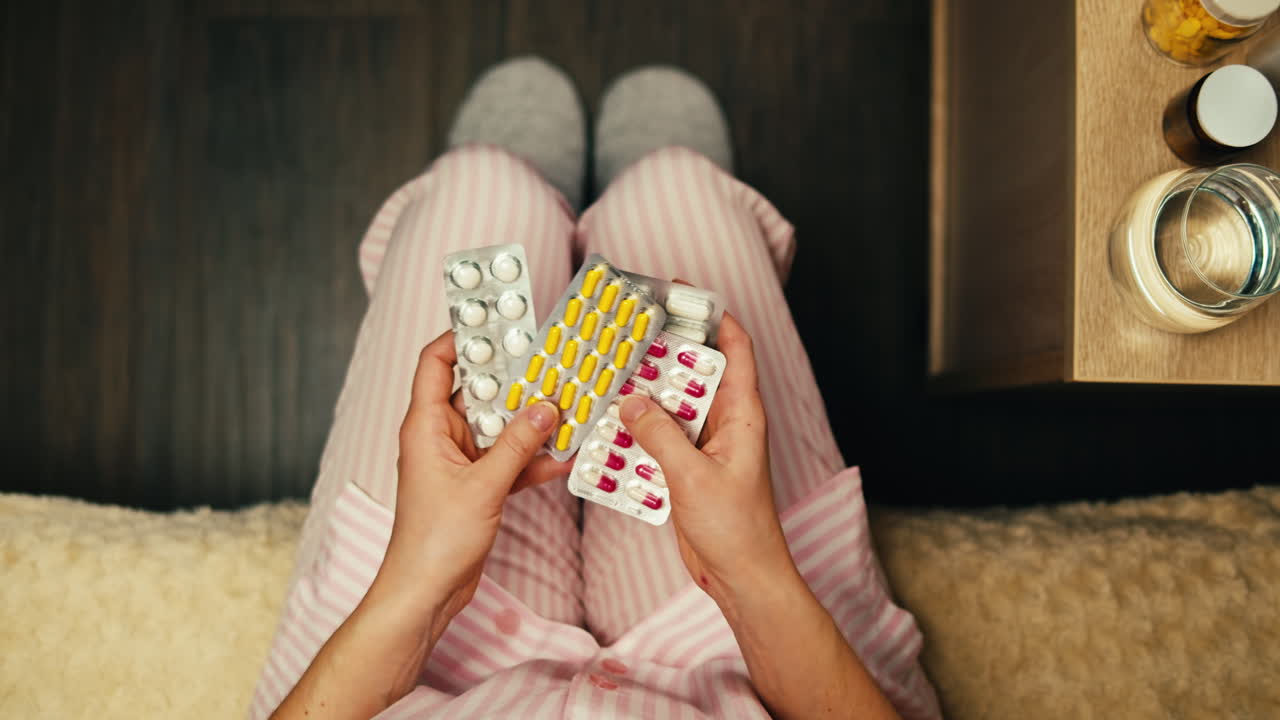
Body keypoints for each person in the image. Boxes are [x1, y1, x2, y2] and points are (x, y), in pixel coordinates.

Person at [249, 58, 941, 719]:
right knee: (676, 189)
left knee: (482, 185)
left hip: (405, 667)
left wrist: (418, 583)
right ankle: (621, 196)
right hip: (749, 663)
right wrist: (751, 573)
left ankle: (526, 189)